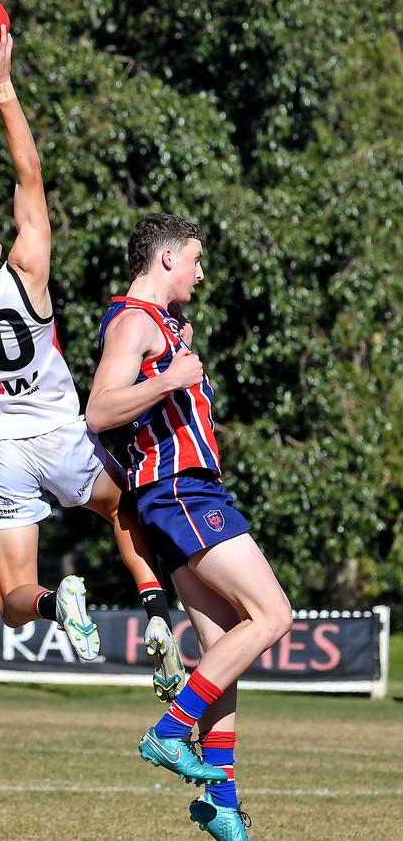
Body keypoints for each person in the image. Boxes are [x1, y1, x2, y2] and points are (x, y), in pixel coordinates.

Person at [0, 28, 188, 694]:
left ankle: (56, 604)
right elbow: (26, 175)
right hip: (62, 436)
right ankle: (155, 612)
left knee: (11, 600)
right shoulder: (26, 272)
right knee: (127, 510)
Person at [86, 213, 293, 840]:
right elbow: (98, 409)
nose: (200, 273)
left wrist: (176, 361)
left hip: (174, 495)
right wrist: (174, 375)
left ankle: (220, 799)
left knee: (223, 646)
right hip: (182, 492)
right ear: (168, 257)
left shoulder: (160, 325)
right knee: (273, 616)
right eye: (196, 260)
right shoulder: (133, 322)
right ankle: (171, 729)